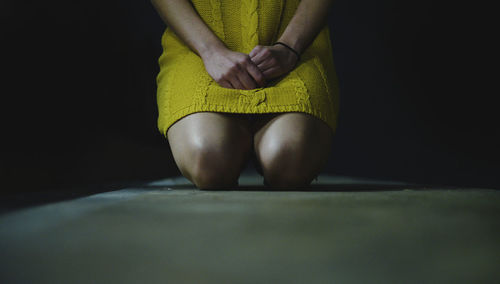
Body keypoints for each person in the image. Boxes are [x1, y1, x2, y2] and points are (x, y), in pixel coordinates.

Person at [151, 0, 340, 189]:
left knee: (290, 161)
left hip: (296, 48)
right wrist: (210, 51)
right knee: (208, 160)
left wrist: (290, 47)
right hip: (196, 48)